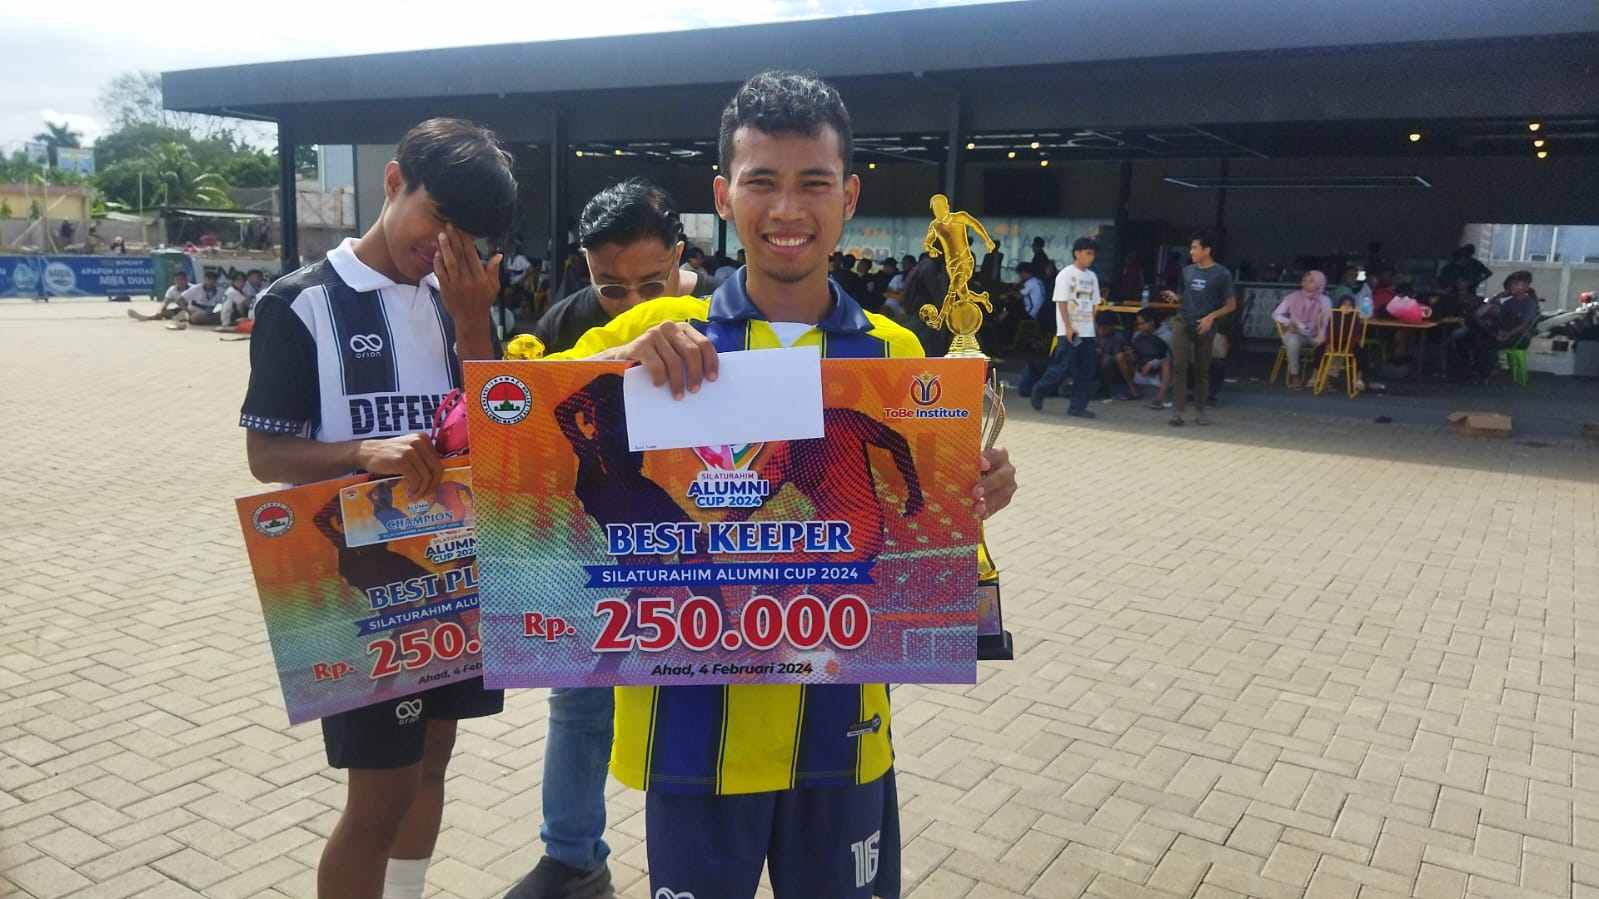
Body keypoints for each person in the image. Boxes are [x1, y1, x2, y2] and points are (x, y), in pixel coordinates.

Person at [519, 69, 1016, 899]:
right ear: (722, 196)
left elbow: (915, 536)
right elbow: (508, 433)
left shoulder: (895, 356)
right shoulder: (651, 333)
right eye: (762, 182)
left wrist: (976, 496)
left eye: (813, 182)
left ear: (848, 197)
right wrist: (610, 368)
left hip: (844, 732)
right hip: (691, 734)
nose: (788, 209)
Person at [238, 117, 515, 899]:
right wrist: (363, 451)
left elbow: (500, 424)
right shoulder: (299, 303)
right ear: (394, 182)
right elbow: (266, 454)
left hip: (455, 575)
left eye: (469, 234)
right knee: (379, 795)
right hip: (358, 587)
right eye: (439, 217)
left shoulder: (457, 301)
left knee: (433, 762)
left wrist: (473, 322)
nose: (447, 245)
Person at [525, 179, 713, 358]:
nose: (633, 303)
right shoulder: (560, 327)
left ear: (677, 255)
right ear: (588, 262)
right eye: (613, 289)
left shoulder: (721, 305)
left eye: (651, 286)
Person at [1160, 231, 1236, 426]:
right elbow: (1185, 296)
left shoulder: (1222, 274)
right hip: (1183, 322)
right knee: (1179, 366)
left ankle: (1200, 411)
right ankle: (1178, 412)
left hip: (1205, 325)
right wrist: (1176, 297)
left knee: (1202, 369)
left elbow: (1231, 305)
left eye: (1195, 248)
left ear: (1207, 250)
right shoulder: (1187, 271)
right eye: (1191, 248)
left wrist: (1211, 317)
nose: (1191, 252)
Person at [1031, 237, 1104, 418]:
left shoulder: (1092, 277)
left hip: (1087, 332)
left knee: (1086, 371)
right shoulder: (1066, 274)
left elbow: (1094, 304)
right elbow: (1061, 302)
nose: (1091, 257)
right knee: (1062, 367)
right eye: (1088, 253)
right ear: (1077, 253)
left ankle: (1077, 407)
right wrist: (1069, 327)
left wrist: (1093, 327)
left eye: (1093, 254)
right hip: (1069, 331)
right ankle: (1040, 389)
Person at [1449, 270, 1541, 383]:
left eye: (1516, 284)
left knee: (1485, 341)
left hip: (1518, 337)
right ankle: (1468, 371)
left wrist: (1508, 334)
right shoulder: (1508, 302)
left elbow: (1523, 325)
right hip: (1500, 333)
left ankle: (1483, 374)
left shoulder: (1529, 303)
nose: (1512, 286)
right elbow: (1481, 315)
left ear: (1526, 286)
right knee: (1466, 336)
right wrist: (1495, 300)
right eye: (1511, 284)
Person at [1271, 270, 1333, 389]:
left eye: (1311, 281)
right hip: (1297, 332)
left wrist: (1321, 335)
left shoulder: (1325, 300)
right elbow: (1276, 314)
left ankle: (1321, 377)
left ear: (1319, 283)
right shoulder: (1292, 297)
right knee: (1293, 341)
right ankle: (1295, 375)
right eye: (1304, 280)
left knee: (1331, 344)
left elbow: (1327, 320)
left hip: (1316, 334)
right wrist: (1289, 322)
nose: (1306, 283)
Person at [1118, 308, 1172, 407]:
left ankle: (1159, 399)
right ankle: (1134, 391)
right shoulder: (1137, 335)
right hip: (1142, 370)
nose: (1140, 327)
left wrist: (1152, 364)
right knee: (1121, 357)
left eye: (1142, 324)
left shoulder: (1166, 335)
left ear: (1151, 322)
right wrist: (1131, 354)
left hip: (1160, 373)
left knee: (1166, 362)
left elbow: (1172, 357)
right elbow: (1135, 358)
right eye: (1138, 324)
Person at [128, 270, 193, 322]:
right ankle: (146, 318)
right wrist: (160, 311)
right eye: (177, 280)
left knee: (184, 312)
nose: (179, 282)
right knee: (163, 312)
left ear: (186, 280)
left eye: (181, 279)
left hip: (193, 309)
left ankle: (181, 318)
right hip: (180, 310)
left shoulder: (193, 288)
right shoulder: (172, 289)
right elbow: (165, 302)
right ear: (174, 281)